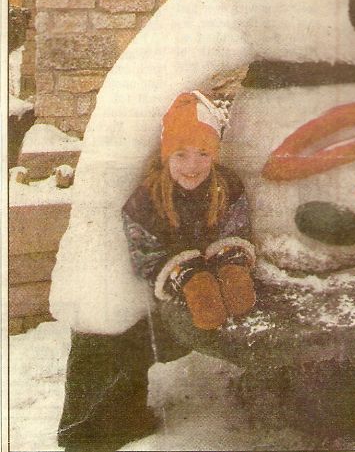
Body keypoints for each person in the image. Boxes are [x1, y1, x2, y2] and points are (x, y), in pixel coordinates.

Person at [57, 90, 255, 452]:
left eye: (203, 153)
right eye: (180, 154)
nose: (192, 165)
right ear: (166, 156)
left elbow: (237, 228)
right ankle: (100, 430)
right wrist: (185, 273)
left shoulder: (227, 186)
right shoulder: (146, 198)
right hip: (167, 290)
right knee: (119, 345)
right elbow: (144, 251)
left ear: (215, 155)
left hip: (214, 276)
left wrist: (231, 262)